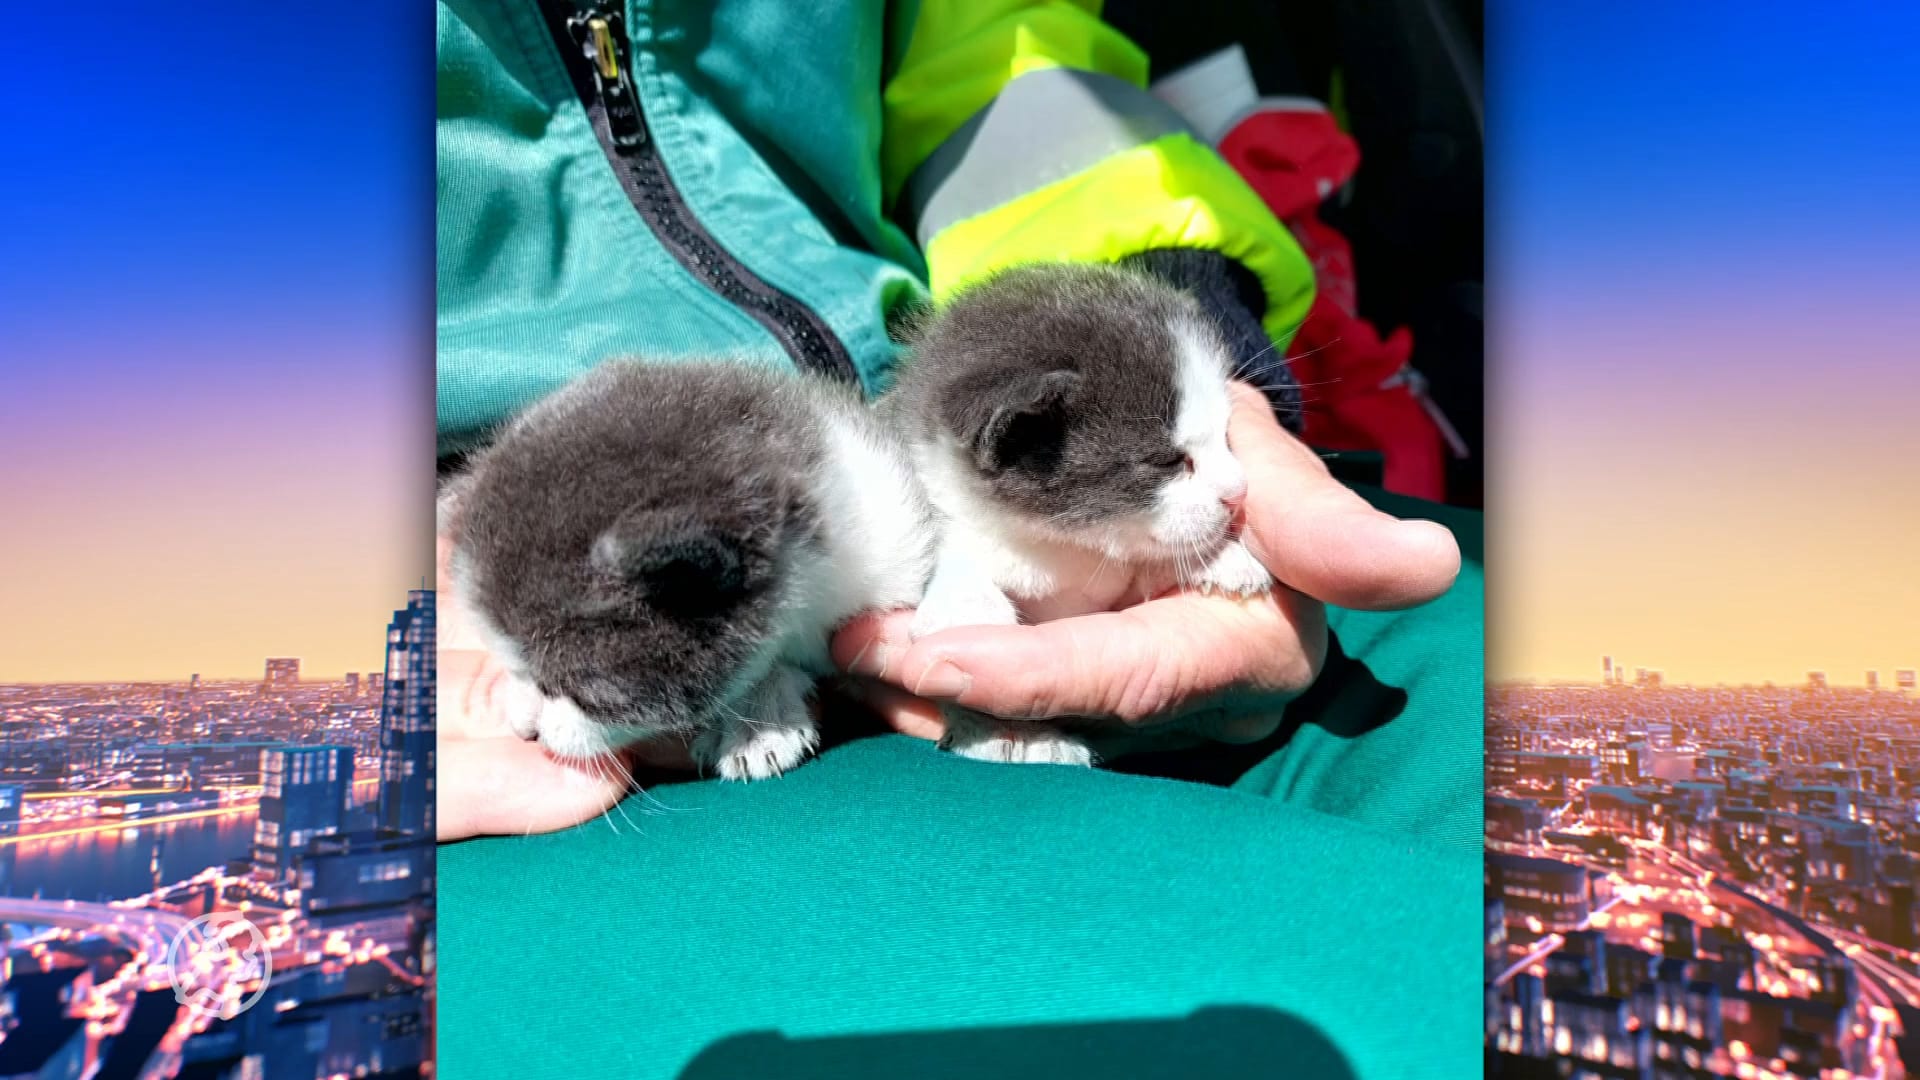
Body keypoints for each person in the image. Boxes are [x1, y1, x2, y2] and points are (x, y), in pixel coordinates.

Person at [435, 2, 1483, 1077]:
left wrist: (1173, 334)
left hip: (921, 428)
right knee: (1381, 1013)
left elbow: (1008, 59)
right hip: (521, 636)